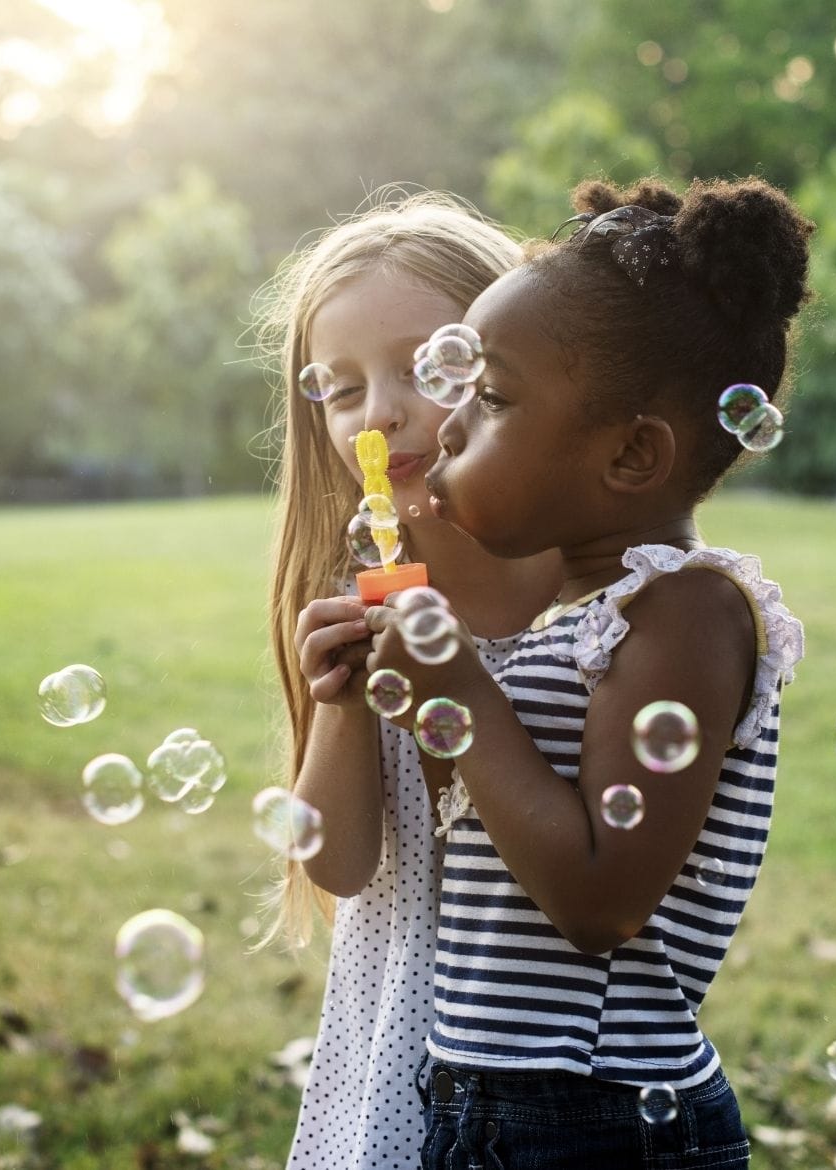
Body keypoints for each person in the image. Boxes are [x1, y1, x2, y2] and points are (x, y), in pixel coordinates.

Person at [362, 176, 812, 1170]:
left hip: (595, 1119)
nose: (444, 427)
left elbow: (601, 899)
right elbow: (502, 849)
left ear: (631, 456)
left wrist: (464, 696)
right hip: (489, 1105)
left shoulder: (685, 611)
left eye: (491, 397)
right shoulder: (575, 624)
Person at [254, 190, 561, 1169]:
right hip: (391, 1043)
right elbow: (338, 866)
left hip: (545, 1059)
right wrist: (344, 706)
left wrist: (456, 685)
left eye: (423, 366)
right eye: (342, 389)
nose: (381, 412)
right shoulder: (357, 599)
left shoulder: (584, 593)